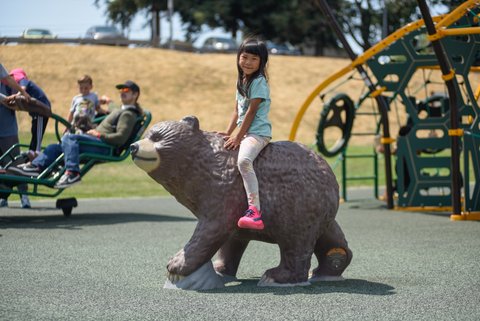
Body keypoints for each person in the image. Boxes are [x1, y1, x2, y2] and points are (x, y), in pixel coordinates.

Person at [9, 80, 143, 189]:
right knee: (54, 148)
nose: (122, 93)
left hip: (105, 147)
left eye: (126, 91)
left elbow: (120, 138)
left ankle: (72, 173)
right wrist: (108, 101)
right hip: (96, 141)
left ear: (135, 94)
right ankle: (35, 167)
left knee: (69, 137)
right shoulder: (121, 110)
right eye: (121, 90)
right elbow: (114, 109)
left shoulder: (128, 114)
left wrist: (99, 134)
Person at [219, 38, 272, 230]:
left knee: (243, 161)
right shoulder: (241, 80)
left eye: (254, 59)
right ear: (238, 58)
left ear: (261, 62)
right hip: (244, 132)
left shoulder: (258, 82)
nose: (248, 62)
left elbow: (251, 112)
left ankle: (254, 211)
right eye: (244, 57)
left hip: (257, 133)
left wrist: (239, 137)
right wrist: (227, 132)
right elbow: (237, 110)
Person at [6, 68, 51, 161]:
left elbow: (22, 90)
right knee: (34, 130)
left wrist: (13, 97)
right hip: (35, 112)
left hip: (41, 110)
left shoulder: (24, 81)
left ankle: (36, 152)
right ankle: (31, 151)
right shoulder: (18, 85)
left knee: (38, 132)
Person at [0, 82, 30, 208]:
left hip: (8, 132)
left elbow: (17, 103)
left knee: (15, 164)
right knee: (2, 167)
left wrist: (8, 100)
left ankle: (24, 195)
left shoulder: (7, 84)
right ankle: (3, 196)